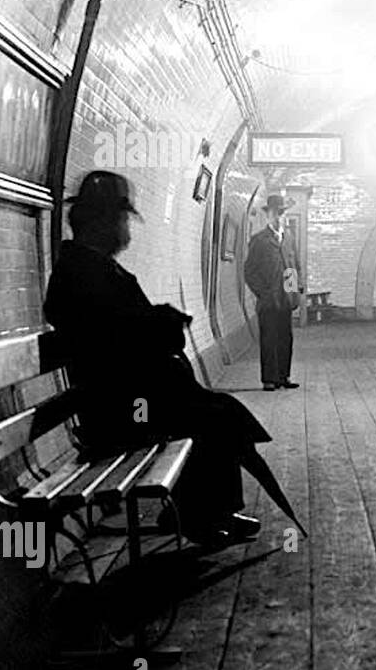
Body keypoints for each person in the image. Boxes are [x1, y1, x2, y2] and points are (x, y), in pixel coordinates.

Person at [44, 170, 294, 546]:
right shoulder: (84, 273)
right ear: (103, 223)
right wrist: (162, 322)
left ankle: (209, 512)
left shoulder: (85, 268)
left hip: (124, 399)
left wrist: (158, 321)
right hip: (124, 410)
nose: (126, 227)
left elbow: (120, 330)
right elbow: (118, 338)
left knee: (214, 411)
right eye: (122, 218)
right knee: (211, 416)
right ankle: (201, 517)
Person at [244, 194, 298, 391]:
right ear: (268, 215)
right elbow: (249, 271)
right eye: (275, 213)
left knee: (286, 338)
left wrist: (293, 296)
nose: (278, 217)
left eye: (282, 213)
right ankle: (269, 379)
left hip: (285, 300)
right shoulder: (258, 240)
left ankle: (284, 376)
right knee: (268, 339)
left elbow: (292, 267)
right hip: (268, 300)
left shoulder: (289, 239)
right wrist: (263, 293)